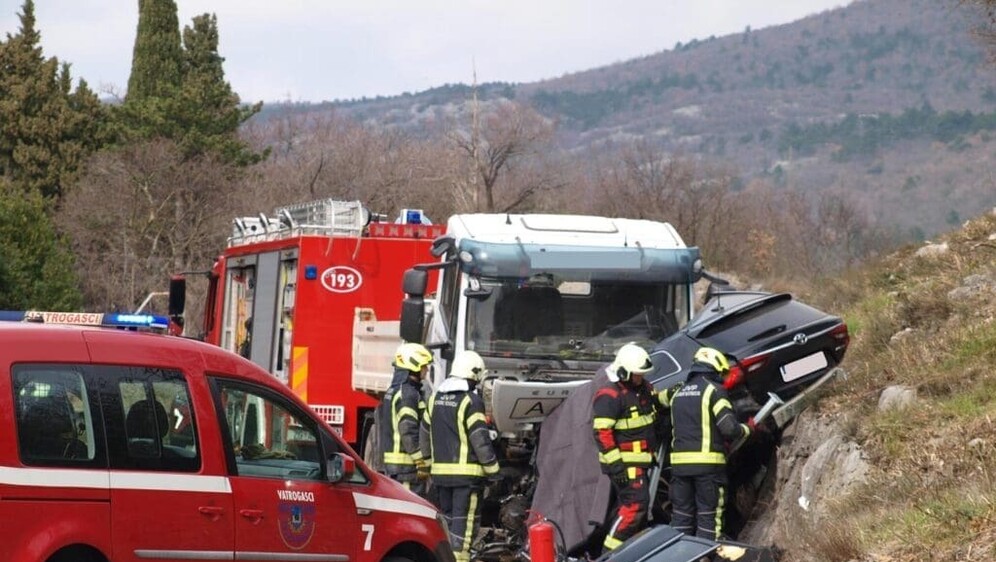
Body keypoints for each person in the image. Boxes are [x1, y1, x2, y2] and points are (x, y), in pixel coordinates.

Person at [420, 351, 500, 562]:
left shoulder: (435, 399)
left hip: (440, 477)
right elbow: (480, 439)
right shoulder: (471, 401)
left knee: (446, 524)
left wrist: (429, 464)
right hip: (467, 479)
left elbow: (424, 433)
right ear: (474, 374)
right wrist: (494, 471)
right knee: (463, 529)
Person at [667, 346, 752, 541]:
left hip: (679, 469)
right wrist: (748, 429)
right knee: (708, 519)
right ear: (715, 368)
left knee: (681, 519)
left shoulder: (678, 393)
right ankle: (705, 557)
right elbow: (729, 429)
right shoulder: (714, 391)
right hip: (707, 468)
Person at [592, 343, 667, 552]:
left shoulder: (643, 388)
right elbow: (602, 433)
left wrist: (672, 395)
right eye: (636, 374)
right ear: (623, 372)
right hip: (625, 464)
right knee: (636, 506)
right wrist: (617, 466)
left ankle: (626, 552)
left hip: (640, 462)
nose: (640, 378)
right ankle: (610, 554)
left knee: (628, 509)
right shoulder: (609, 395)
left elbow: (656, 401)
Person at [378, 342, 434, 496]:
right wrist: (420, 461)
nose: (426, 369)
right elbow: (408, 431)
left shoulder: (395, 390)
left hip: (396, 468)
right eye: (424, 366)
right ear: (414, 366)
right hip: (406, 468)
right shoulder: (408, 394)